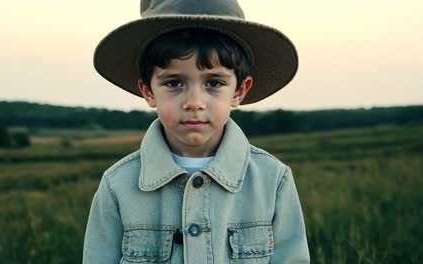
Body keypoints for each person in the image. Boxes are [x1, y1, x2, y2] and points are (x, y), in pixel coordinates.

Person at [83, 0, 309, 263]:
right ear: (147, 91)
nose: (193, 102)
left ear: (239, 91)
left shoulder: (273, 181)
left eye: (213, 83)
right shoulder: (117, 186)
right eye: (174, 82)